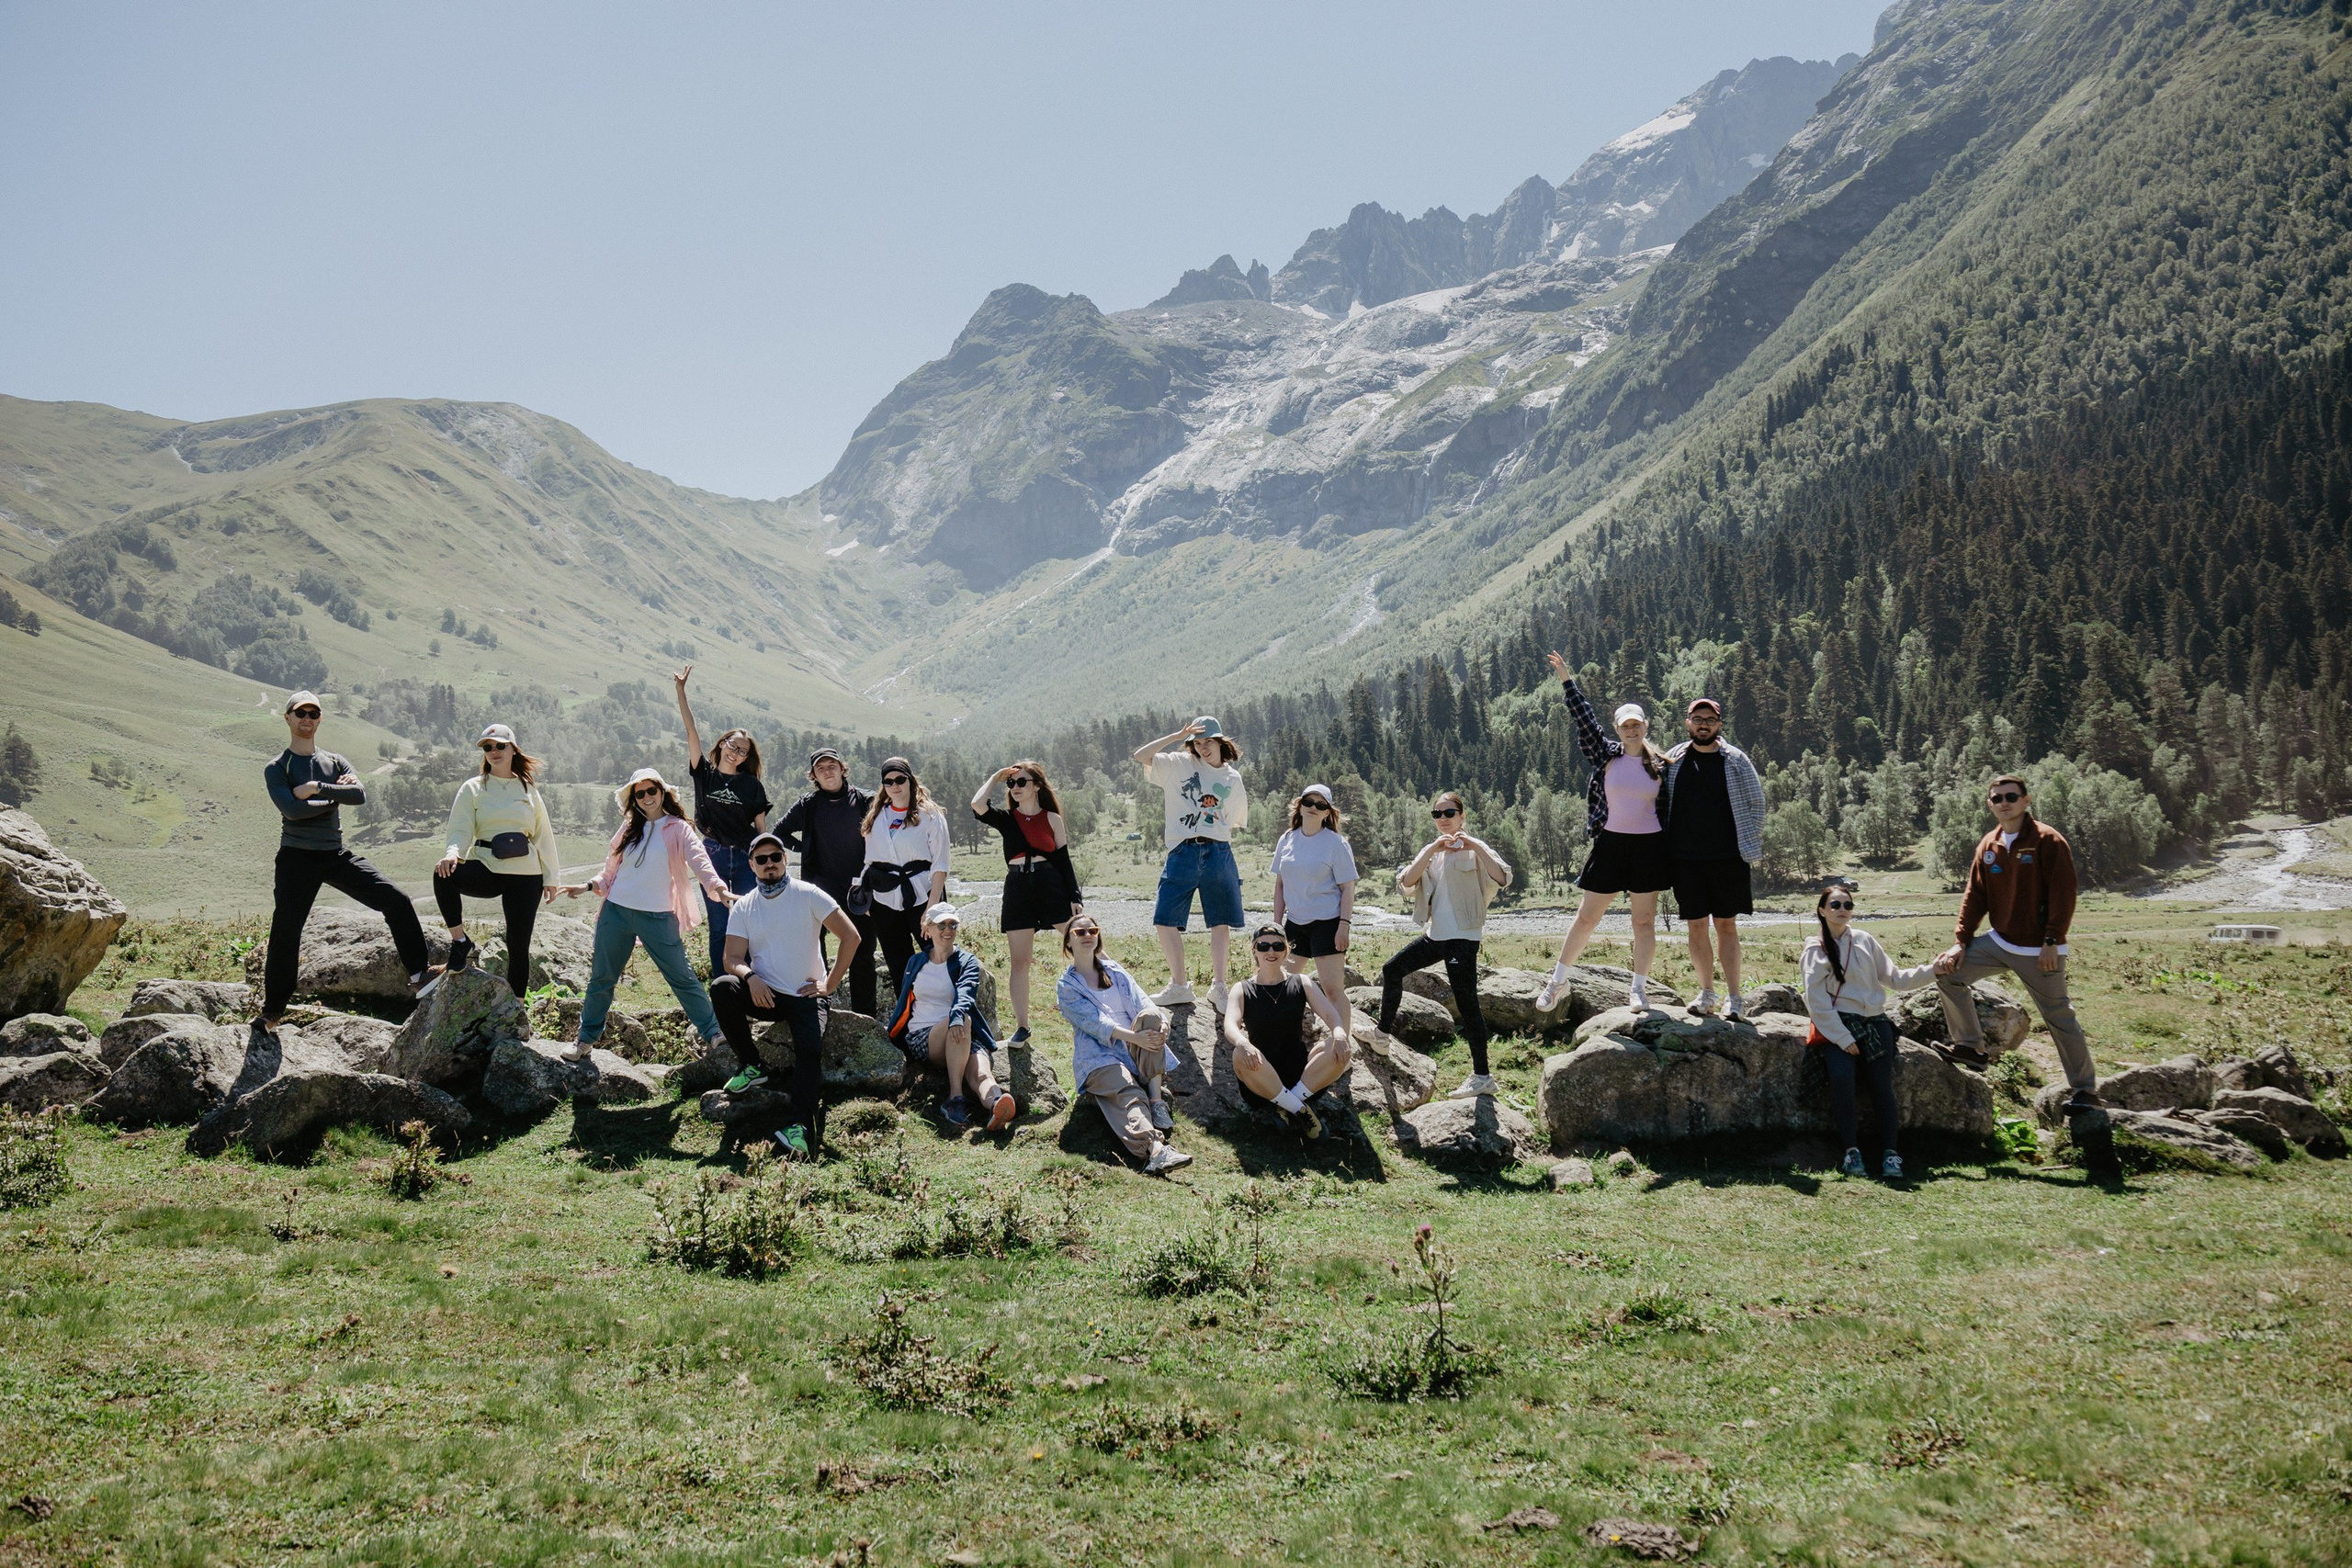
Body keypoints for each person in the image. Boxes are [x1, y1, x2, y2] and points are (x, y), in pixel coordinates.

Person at [260, 691, 431, 1034]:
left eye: (313, 712)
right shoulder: (278, 768)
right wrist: (334, 795)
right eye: (300, 712)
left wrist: (316, 788)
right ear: (288, 718)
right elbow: (291, 810)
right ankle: (271, 1014)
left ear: (320, 719)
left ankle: (420, 975)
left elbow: (360, 796)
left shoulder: (334, 761)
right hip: (296, 858)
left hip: (335, 854)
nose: (307, 718)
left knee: (396, 900)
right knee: (286, 933)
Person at [1932, 773, 2096, 1104]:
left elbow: (2064, 894)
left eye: (2010, 796)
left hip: (2040, 950)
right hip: (2000, 942)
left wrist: (2052, 940)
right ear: (1990, 805)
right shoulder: (1988, 845)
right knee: (1947, 973)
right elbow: (1974, 896)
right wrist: (1961, 942)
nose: (2004, 803)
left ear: (2026, 800)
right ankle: (1971, 1047)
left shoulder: (2049, 841)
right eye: (1997, 798)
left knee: (2059, 1017)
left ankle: (2085, 1091)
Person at [560, 768, 735, 1063]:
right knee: (601, 979)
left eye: (651, 791)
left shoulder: (678, 828)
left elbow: (699, 860)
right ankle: (584, 1040)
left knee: (682, 977)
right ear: (634, 799)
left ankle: (714, 1033)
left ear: (662, 792)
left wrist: (718, 887)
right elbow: (610, 870)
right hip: (615, 912)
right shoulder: (629, 827)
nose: (646, 797)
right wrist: (588, 885)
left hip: (658, 916)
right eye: (639, 794)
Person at [707, 831, 862, 1159]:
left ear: (784, 860)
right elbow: (731, 958)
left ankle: (800, 1127)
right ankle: (752, 1066)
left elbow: (851, 936)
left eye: (775, 858)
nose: (769, 865)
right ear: (752, 866)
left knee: (809, 1051)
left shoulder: (808, 894)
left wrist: (830, 985)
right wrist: (750, 978)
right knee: (723, 988)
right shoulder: (745, 906)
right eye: (761, 860)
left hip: (808, 994)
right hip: (767, 995)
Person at [1534, 653, 1672, 1013]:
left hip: (1650, 847)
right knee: (1587, 917)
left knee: (1643, 922)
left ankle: (1639, 990)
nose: (1631, 729)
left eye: (1636, 724)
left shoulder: (1664, 766)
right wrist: (1567, 679)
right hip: (1611, 844)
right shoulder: (1605, 756)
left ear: (1646, 726)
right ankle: (1557, 981)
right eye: (1625, 725)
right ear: (1617, 728)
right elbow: (1584, 720)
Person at [1804, 881, 1938, 1179]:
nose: (1842, 910)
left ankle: (1892, 1154)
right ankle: (1852, 1153)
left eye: (1848, 905)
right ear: (1822, 911)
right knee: (1841, 1080)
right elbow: (1816, 1000)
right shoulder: (1815, 950)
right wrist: (1842, 1037)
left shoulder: (1865, 940)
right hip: (1839, 1025)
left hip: (1876, 1023)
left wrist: (1935, 970)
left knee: (1881, 1087)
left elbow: (1895, 978)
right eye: (1836, 905)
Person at [1385, 793, 1514, 1099]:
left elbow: (1503, 878)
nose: (1443, 818)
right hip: (1435, 936)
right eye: (1437, 814)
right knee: (1392, 969)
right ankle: (1382, 1035)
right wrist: (1430, 849)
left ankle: (1482, 1076)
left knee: (1467, 1005)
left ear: (1462, 816)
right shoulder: (1433, 852)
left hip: (1463, 938)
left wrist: (1476, 846)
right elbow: (1405, 885)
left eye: (1449, 812)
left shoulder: (1476, 849)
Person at [432, 723, 560, 998]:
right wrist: (453, 852)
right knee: (443, 874)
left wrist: (551, 878)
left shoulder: (528, 789)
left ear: (513, 749)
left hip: (526, 875)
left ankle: (516, 1009)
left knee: (518, 945)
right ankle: (460, 942)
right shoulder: (473, 788)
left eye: (500, 745)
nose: (494, 751)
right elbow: (460, 828)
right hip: (487, 867)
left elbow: (543, 835)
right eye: (488, 747)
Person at [1057, 915, 1193, 1174]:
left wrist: (1162, 1023)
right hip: (1101, 1058)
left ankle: (1156, 1101)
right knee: (1128, 1091)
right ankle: (1156, 1150)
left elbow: (1145, 1003)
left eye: (1092, 930)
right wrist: (1136, 1038)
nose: (1087, 935)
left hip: (1135, 1051)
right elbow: (1096, 1024)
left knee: (1152, 1017)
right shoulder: (1067, 986)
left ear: (1098, 937)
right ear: (1068, 943)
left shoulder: (1116, 972)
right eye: (1080, 932)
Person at [1659, 697, 1767, 1018]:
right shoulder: (1673, 759)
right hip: (1685, 860)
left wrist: (1747, 840)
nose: (1703, 724)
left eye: (1709, 719)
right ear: (1687, 723)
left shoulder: (1735, 760)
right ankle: (1707, 993)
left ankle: (1735, 997)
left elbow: (1757, 804)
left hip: (1728, 859)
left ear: (1719, 725)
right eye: (1697, 718)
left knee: (1726, 925)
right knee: (1695, 927)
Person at [1133, 717, 1249, 1010]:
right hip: (1182, 850)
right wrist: (1176, 736)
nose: (1202, 747)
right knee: (1164, 918)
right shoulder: (1180, 764)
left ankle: (1219, 987)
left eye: (1208, 741)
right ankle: (1179, 985)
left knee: (1220, 922)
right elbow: (1140, 756)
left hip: (1218, 852)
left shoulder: (1232, 779)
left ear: (1221, 741)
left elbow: (1231, 821)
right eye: (1197, 742)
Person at [970, 760, 1082, 1045]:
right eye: (1012, 783)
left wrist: (1075, 897)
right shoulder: (1007, 818)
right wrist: (996, 777)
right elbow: (977, 805)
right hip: (1018, 886)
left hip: (1050, 884)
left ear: (1037, 786)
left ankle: (1115, 995)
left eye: (1022, 782)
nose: (1015, 787)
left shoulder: (1052, 819)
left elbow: (1063, 861)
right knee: (1019, 962)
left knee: (1083, 940)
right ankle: (1022, 1027)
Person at [673, 665, 771, 975]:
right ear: (722, 744)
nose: (736, 753)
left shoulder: (751, 786)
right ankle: (723, 989)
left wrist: (762, 860)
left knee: (748, 925)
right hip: (711, 855)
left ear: (746, 757)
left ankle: (755, 984)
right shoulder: (704, 774)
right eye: (732, 746)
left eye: (742, 751)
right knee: (719, 927)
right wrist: (681, 690)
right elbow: (691, 732)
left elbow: (761, 831)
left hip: (743, 858)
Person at [887, 906, 1018, 1131]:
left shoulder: (967, 961)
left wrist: (957, 1019)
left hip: (961, 1031)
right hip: (925, 1037)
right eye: (941, 925)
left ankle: (997, 1104)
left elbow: (966, 994)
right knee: (961, 1020)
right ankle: (955, 1098)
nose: (948, 930)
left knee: (982, 1073)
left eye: (953, 925)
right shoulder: (916, 962)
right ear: (927, 929)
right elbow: (905, 1002)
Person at [1225, 924, 1351, 1137]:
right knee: (1239, 1053)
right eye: (1263, 946)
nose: (1270, 951)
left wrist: (1339, 1033)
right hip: (1260, 1076)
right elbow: (1230, 1025)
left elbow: (1331, 1015)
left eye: (1277, 946)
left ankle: (1287, 1105)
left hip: (1301, 1077)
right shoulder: (1242, 988)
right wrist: (1242, 1043)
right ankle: (1300, 1110)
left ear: (1286, 950)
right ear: (1254, 950)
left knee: (1335, 1047)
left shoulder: (1301, 982)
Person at [777, 748, 876, 1012]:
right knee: (815, 951)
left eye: (832, 765)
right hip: (820, 889)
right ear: (814, 777)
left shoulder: (866, 800)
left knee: (863, 954)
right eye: (821, 769)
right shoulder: (807, 805)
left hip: (859, 891)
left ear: (843, 769)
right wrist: (804, 847)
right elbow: (779, 832)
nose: (827, 771)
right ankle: (817, 1010)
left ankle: (865, 1017)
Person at [1268, 784, 1358, 1035]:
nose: (1313, 808)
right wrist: (1277, 926)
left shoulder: (1336, 844)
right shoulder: (1287, 839)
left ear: (1328, 813)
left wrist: (1344, 926)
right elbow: (1280, 886)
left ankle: (1344, 1046)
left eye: (1320, 805)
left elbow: (1348, 889)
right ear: (1300, 805)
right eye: (1309, 802)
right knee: (1277, 981)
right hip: (1295, 924)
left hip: (1327, 925)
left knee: (1332, 990)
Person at [859, 756, 950, 1003]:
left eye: (900, 779)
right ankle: (906, 1024)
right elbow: (870, 861)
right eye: (888, 781)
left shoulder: (930, 815)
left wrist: (932, 908)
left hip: (923, 896)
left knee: (938, 956)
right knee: (898, 965)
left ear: (910, 780)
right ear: (883, 786)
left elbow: (940, 864)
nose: (895, 785)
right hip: (884, 899)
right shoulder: (877, 816)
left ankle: (946, 1015)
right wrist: (864, 895)